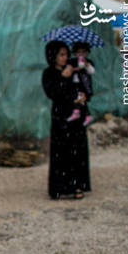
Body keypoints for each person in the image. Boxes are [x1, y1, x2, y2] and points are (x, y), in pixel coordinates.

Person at [42, 40, 91, 200]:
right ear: (53, 56)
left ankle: (77, 185)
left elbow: (82, 86)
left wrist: (82, 96)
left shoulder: (73, 70)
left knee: (77, 151)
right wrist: (63, 77)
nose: (65, 58)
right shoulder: (49, 73)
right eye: (61, 54)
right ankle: (58, 187)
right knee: (60, 152)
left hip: (76, 116)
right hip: (60, 116)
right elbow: (52, 93)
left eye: (66, 54)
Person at [67, 42, 95, 126]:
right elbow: (68, 70)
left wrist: (86, 65)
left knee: (81, 99)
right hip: (74, 84)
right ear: (74, 53)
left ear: (87, 53)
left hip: (84, 85)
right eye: (78, 52)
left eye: (83, 52)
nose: (81, 54)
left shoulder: (89, 62)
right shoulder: (72, 61)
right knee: (78, 99)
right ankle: (84, 114)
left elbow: (92, 71)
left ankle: (79, 113)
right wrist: (75, 69)